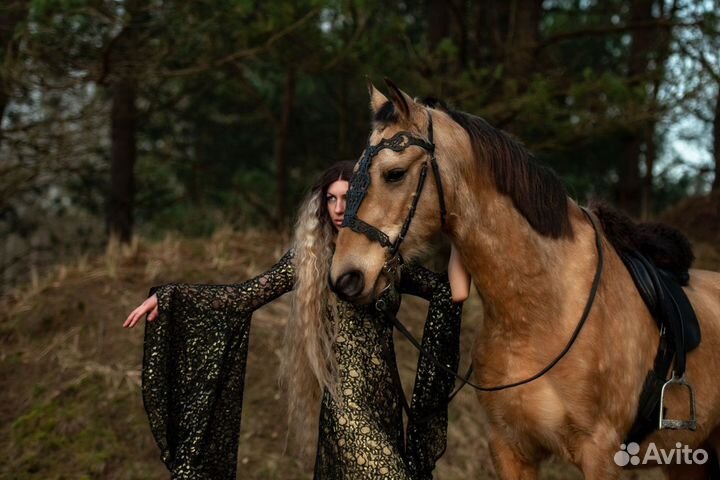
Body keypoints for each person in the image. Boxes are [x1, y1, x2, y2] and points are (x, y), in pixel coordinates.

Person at [124, 161, 464, 479]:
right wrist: (169, 299)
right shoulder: (309, 260)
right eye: (331, 199)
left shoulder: (385, 259)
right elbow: (243, 296)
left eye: (347, 197)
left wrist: (464, 237)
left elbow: (451, 292)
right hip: (346, 406)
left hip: (387, 405)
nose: (339, 207)